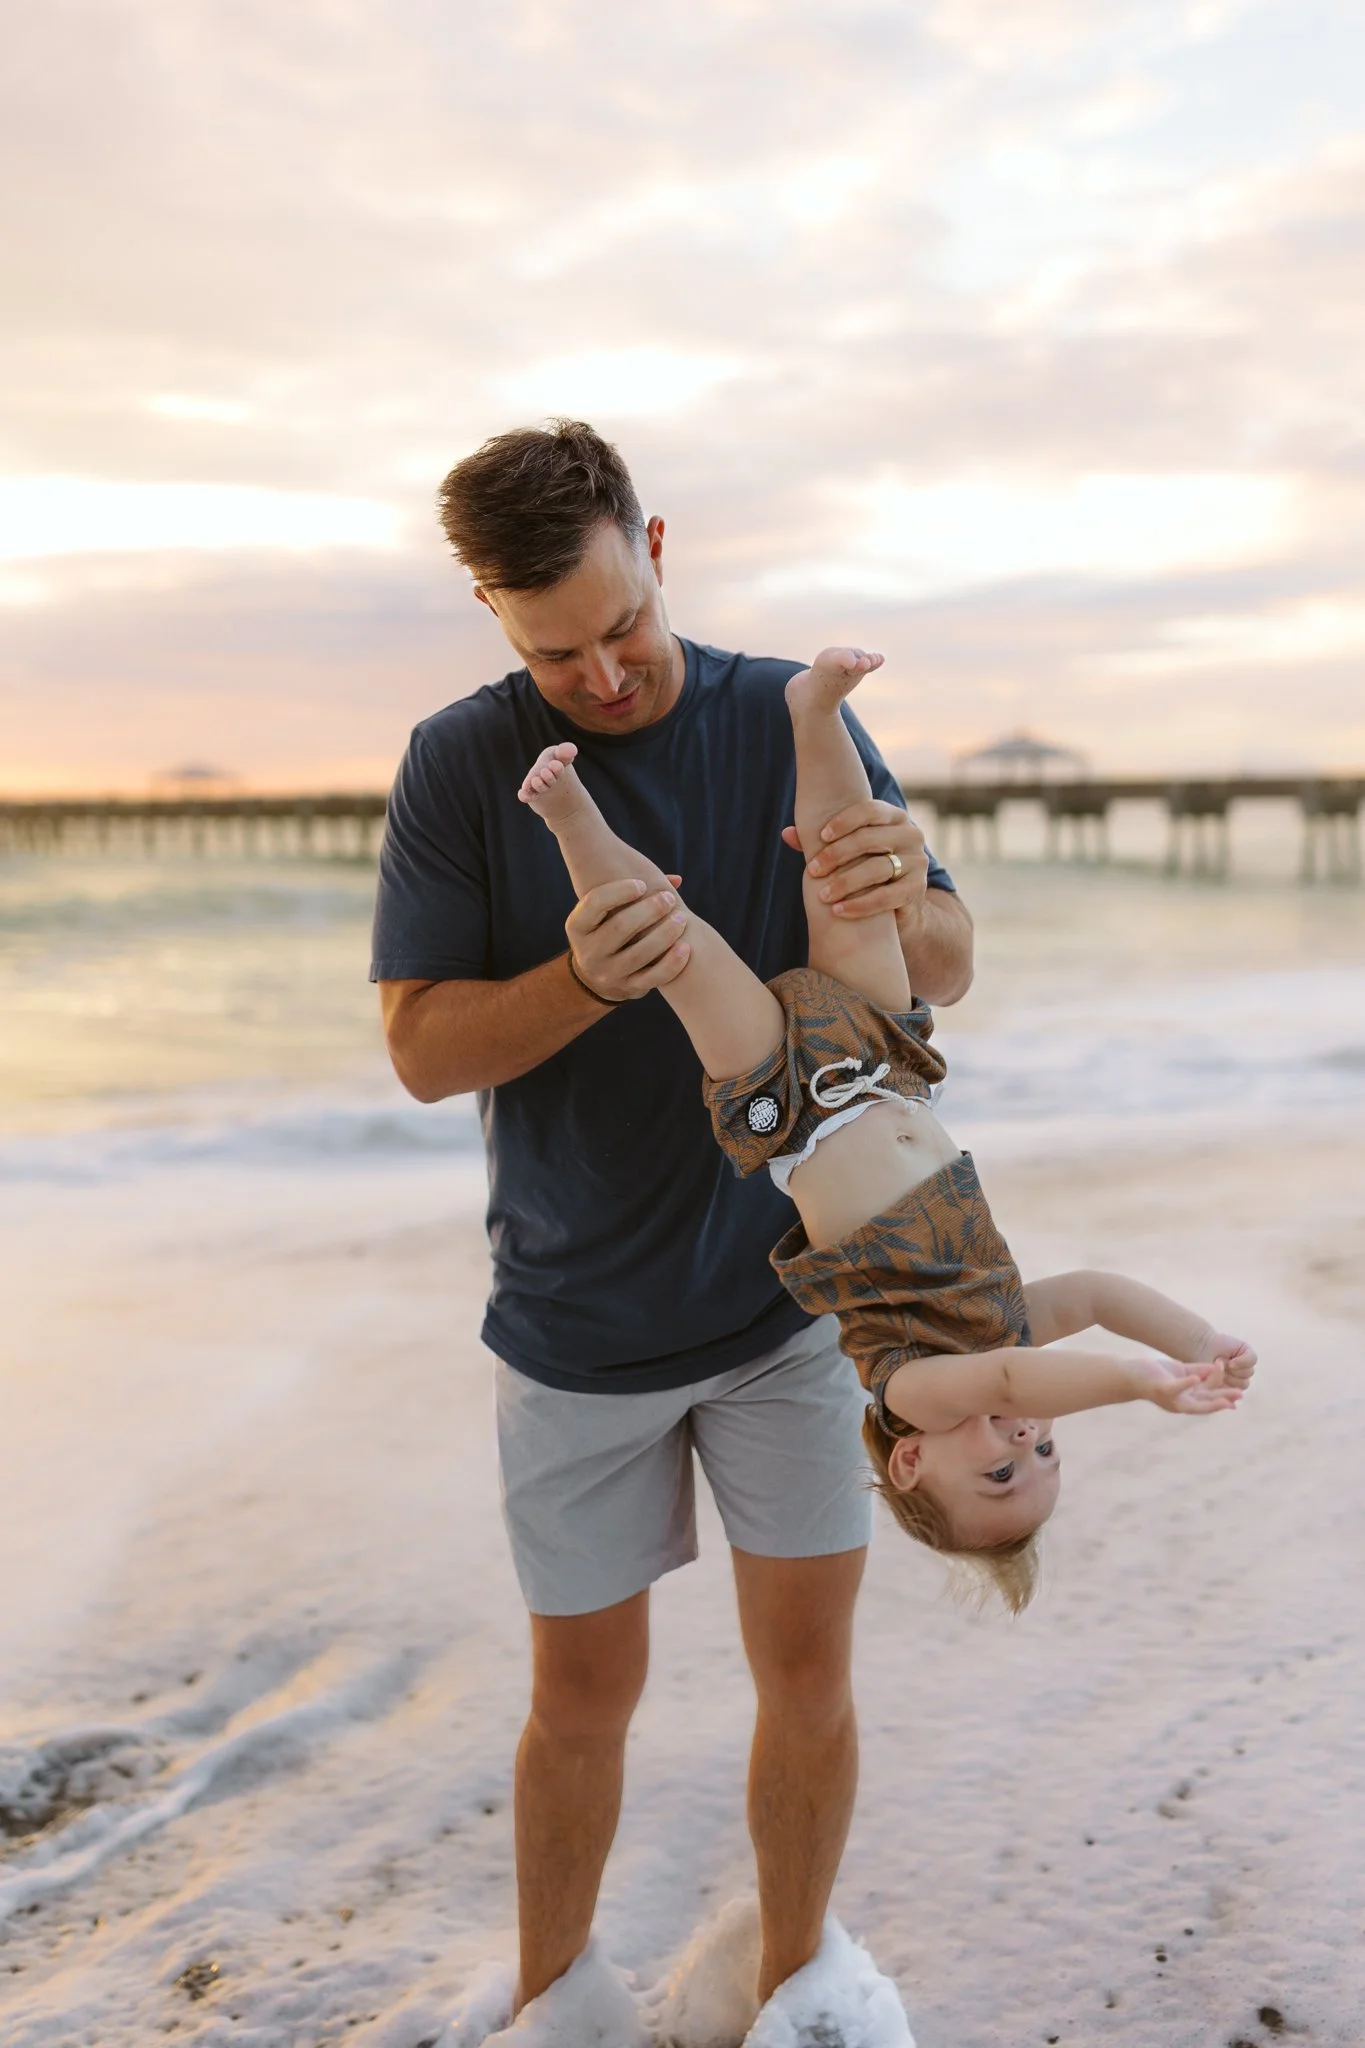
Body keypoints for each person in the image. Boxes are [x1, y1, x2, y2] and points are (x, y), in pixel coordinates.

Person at [371, 421, 974, 2027]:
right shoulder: (456, 762)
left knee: (809, 1677)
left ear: (658, 543)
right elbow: (423, 1054)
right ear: (495, 616)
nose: (607, 672)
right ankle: (551, 2007)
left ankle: (798, 2000)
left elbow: (942, 968)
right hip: (576, 1328)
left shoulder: (788, 711)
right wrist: (584, 979)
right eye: (556, 650)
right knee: (581, 1703)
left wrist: (907, 880)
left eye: (623, 625)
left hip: (786, 1314)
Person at [516, 643, 1257, 1615]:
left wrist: (1148, 1383)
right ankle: (814, 712)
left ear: (911, 1460)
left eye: (1000, 1470)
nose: (1024, 1436)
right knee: (849, 880)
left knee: (673, 942)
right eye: (1043, 1449)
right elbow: (1098, 1290)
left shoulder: (916, 1389)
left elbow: (1006, 1374)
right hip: (886, 1066)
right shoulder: (1003, 1323)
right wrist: (1204, 1342)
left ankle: (569, 814)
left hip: (796, 1106)